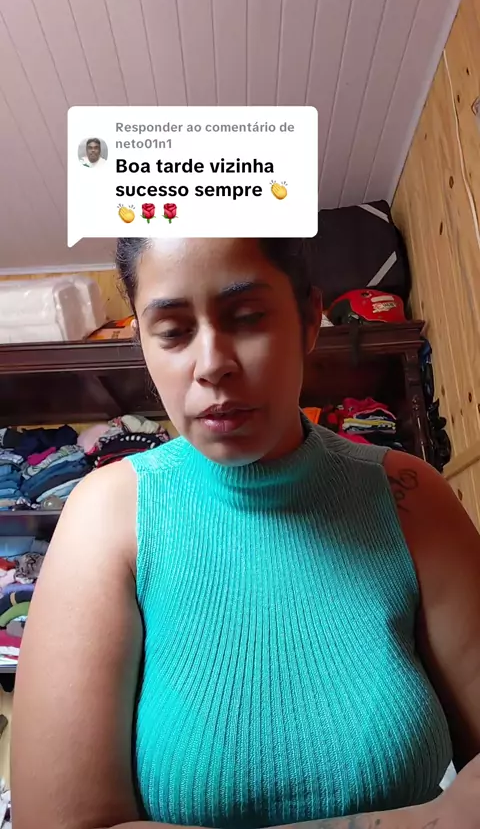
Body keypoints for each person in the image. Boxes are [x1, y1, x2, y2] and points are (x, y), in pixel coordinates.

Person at [11, 237, 480, 829]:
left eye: (248, 317)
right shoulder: (105, 518)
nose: (211, 364)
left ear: (308, 320)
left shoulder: (411, 500)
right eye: (173, 331)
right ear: (143, 344)